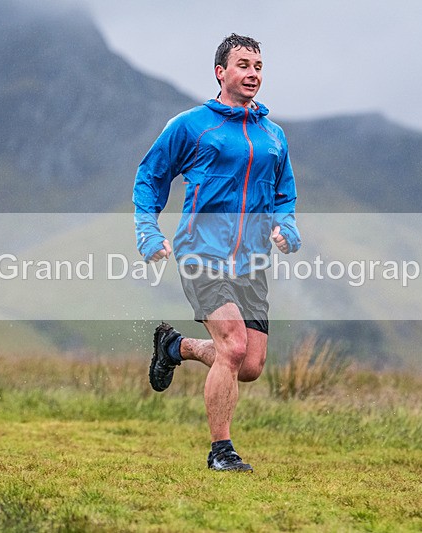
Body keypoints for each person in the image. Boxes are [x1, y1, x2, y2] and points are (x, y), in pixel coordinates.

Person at [133, 33, 301, 472]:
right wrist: (149, 232)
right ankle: (221, 452)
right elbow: (150, 177)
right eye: (243, 65)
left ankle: (175, 347)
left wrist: (288, 226)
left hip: (252, 261)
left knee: (249, 364)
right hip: (200, 252)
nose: (252, 73)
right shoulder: (191, 125)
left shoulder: (273, 135)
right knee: (232, 345)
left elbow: (285, 193)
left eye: (258, 66)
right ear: (220, 72)